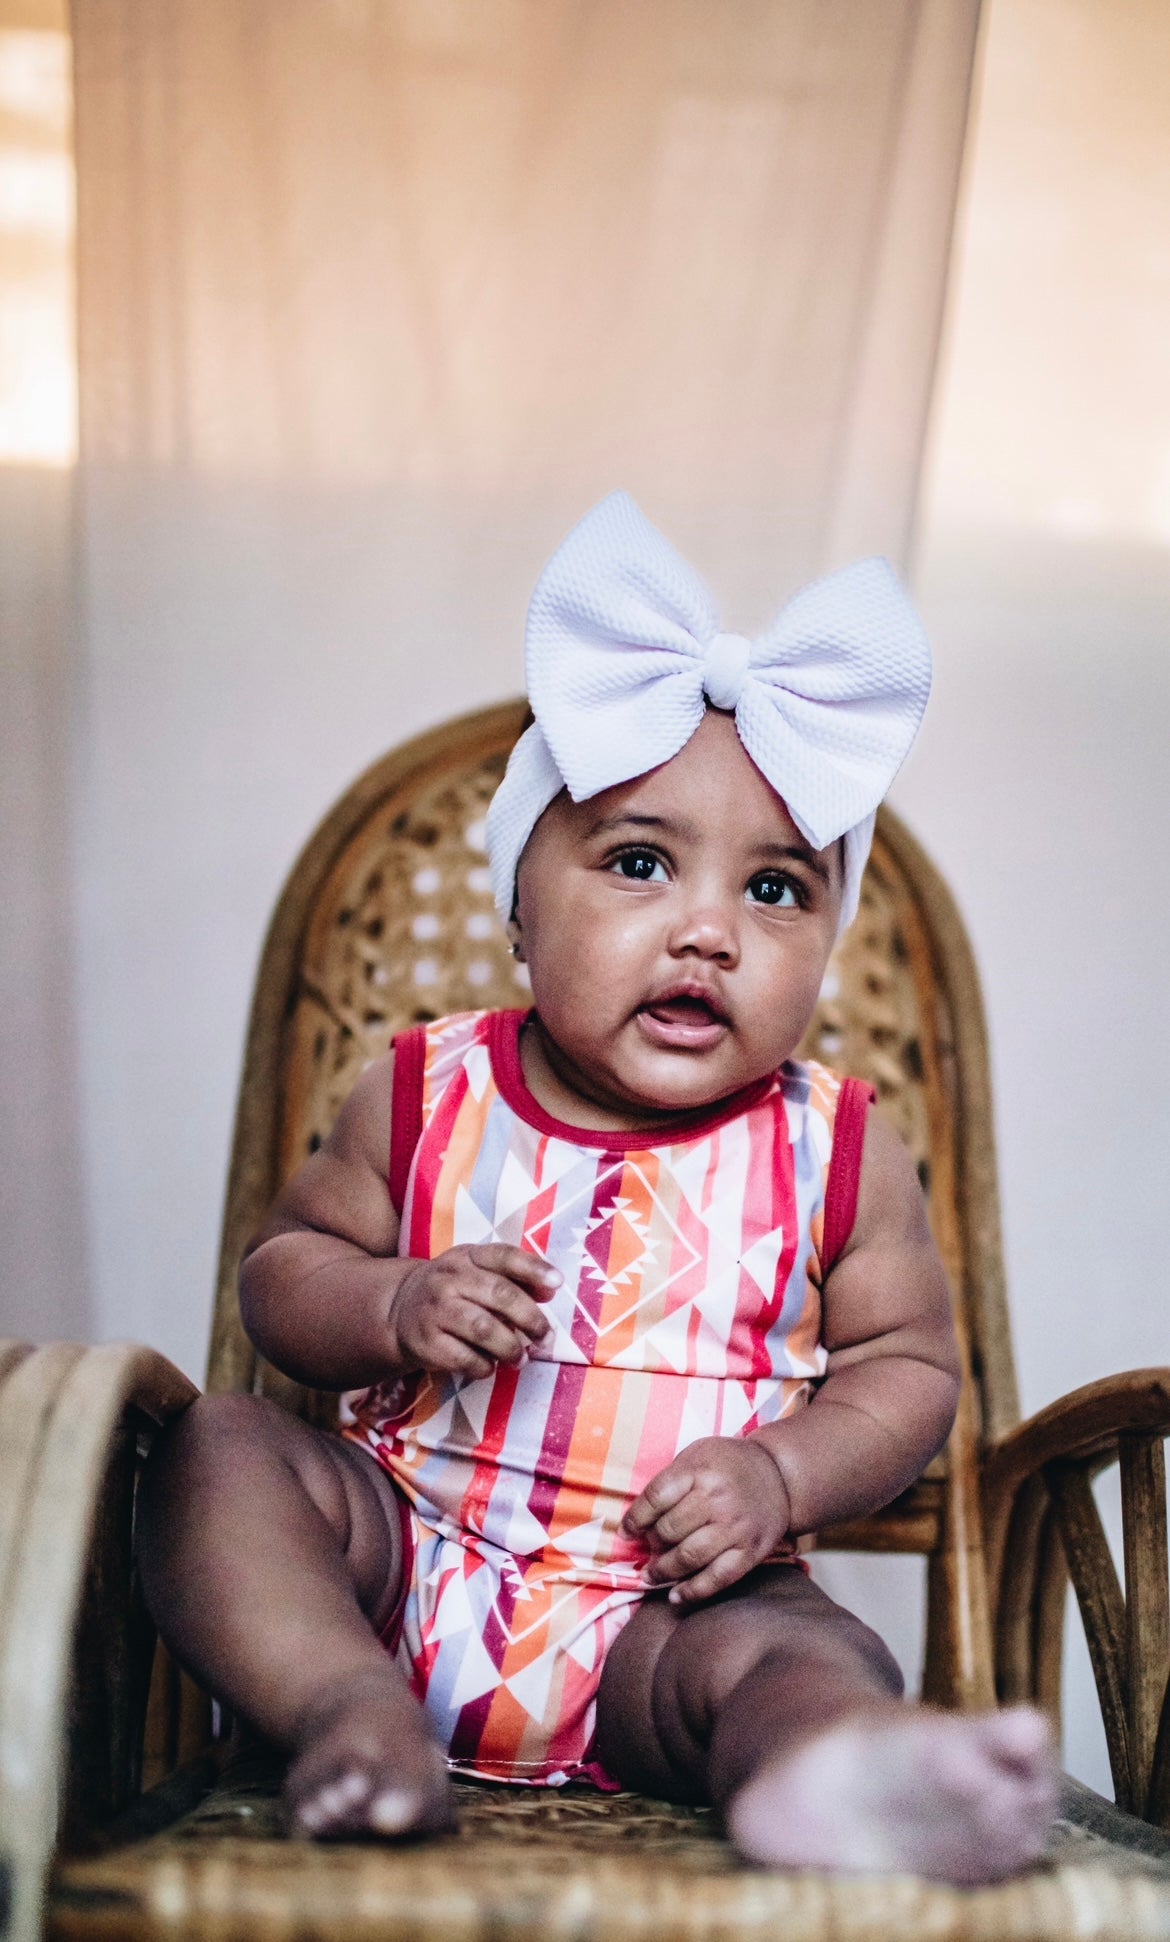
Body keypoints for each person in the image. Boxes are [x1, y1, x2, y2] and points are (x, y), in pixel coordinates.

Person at [139, 493, 1057, 1881]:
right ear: (519, 905)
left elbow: (910, 1367)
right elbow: (282, 1278)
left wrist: (780, 1468)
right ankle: (345, 1710)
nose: (706, 927)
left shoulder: (837, 1148)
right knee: (216, 1450)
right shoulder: (425, 1088)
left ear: (825, 938)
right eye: (638, 861)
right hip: (399, 1559)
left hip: (664, 1618)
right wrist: (390, 1301)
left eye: (777, 889)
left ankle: (828, 1774)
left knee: (806, 1650)